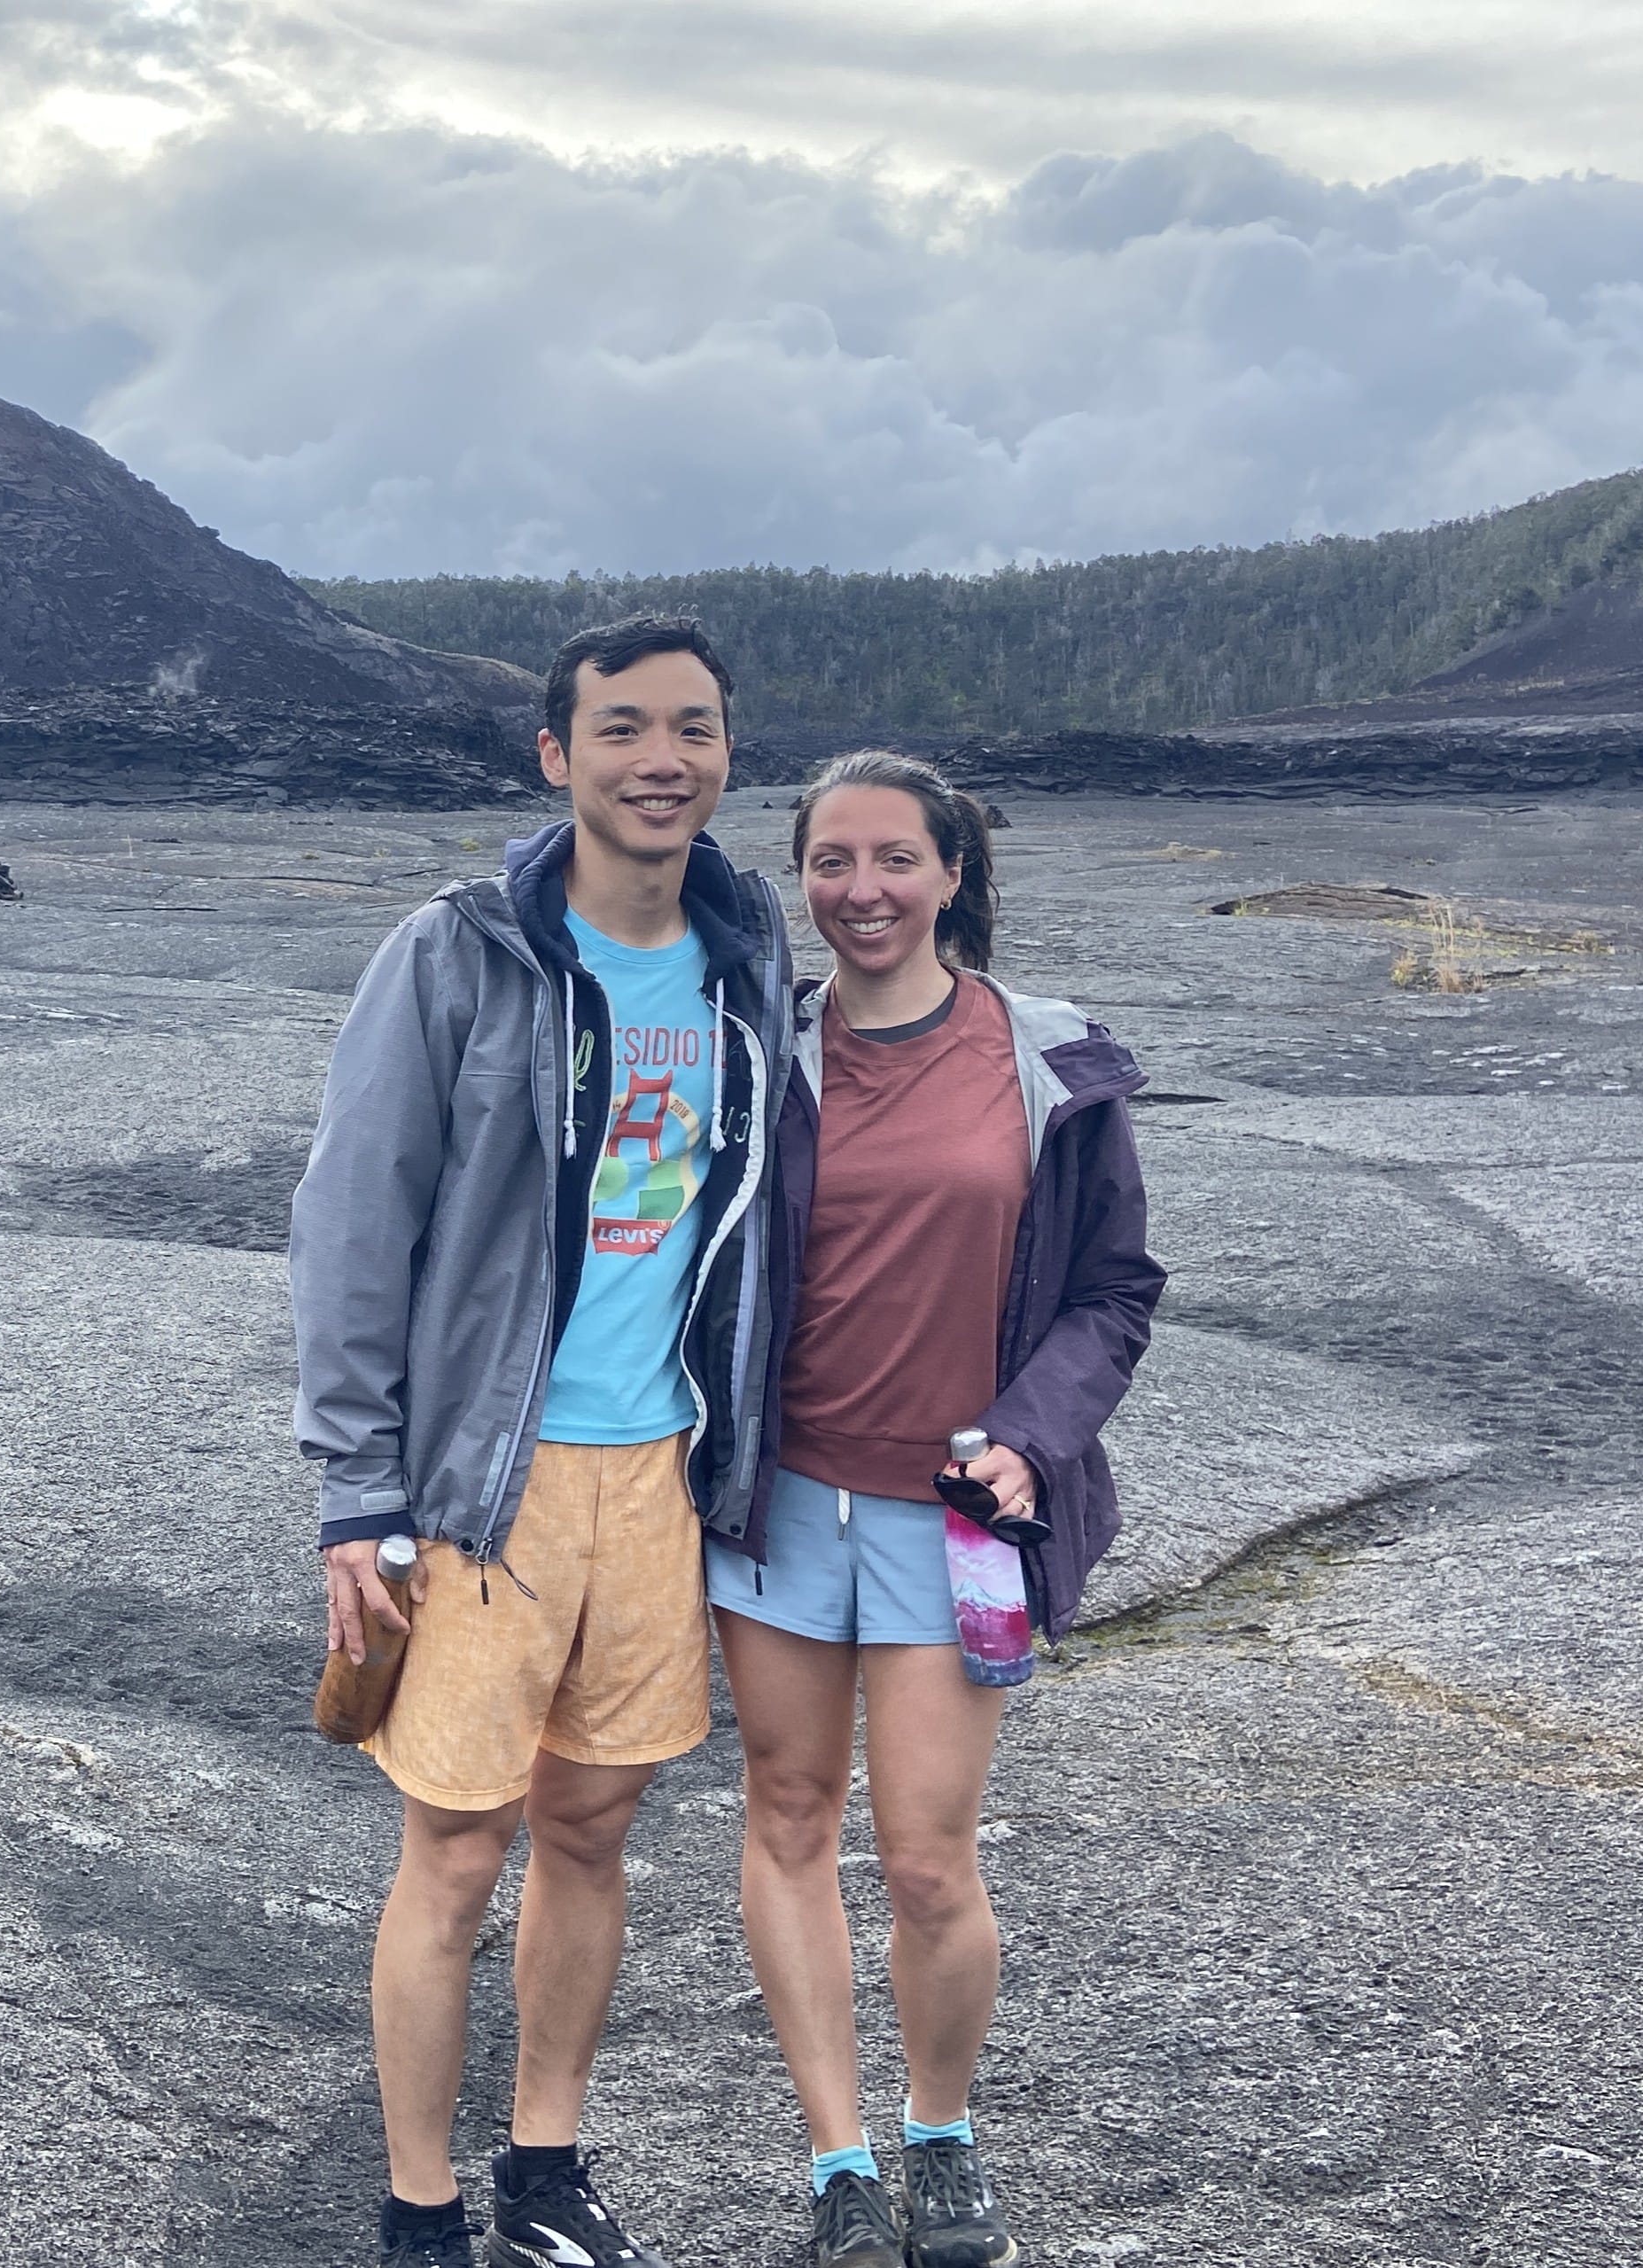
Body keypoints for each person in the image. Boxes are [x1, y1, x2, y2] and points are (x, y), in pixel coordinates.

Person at [290, 615, 792, 2268]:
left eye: (696, 730)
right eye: (627, 728)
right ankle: (420, 2206)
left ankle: (546, 2170)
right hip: (479, 1492)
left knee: (591, 1830)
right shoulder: (461, 950)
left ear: (728, 755)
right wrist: (359, 1494)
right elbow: (356, 1221)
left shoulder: (741, 959)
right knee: (456, 1846)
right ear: (555, 757)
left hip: (656, 1475)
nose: (666, 760)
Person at [703, 752, 1165, 2268]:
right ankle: (838, 2161)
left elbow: (1112, 1292)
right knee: (786, 1817)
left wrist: (1036, 1439)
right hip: (777, 1512)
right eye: (830, 863)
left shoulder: (1046, 1062)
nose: (863, 892)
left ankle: (943, 2135)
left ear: (953, 870)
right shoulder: (760, 1051)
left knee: (923, 1858)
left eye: (895, 859)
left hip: (952, 1517)